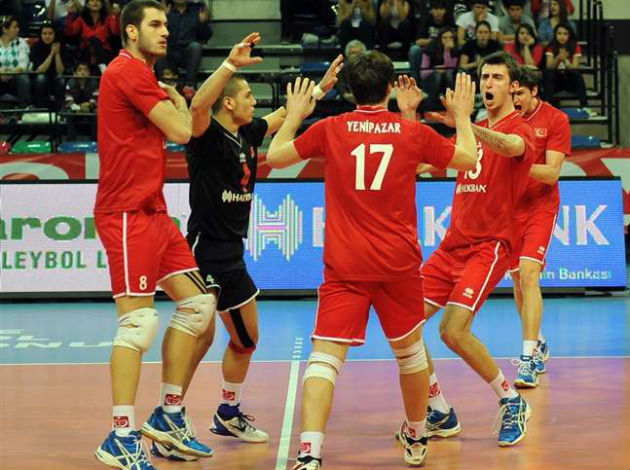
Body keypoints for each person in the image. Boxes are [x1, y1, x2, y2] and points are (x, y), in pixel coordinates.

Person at [266, 51, 479, 469]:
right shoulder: (410, 132)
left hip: (345, 265)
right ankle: (416, 435)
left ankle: (309, 453)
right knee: (410, 354)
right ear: (389, 89)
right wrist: (463, 117)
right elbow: (468, 158)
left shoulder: (331, 128)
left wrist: (295, 114)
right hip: (398, 265)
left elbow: (275, 157)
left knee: (325, 359)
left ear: (350, 91)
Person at [93, 2, 215, 469]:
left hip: (155, 212)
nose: (165, 32)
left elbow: (189, 128)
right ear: (131, 31)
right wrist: (181, 101)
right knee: (139, 324)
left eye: (166, 24)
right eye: (155, 24)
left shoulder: (143, 75)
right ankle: (120, 435)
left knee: (199, 306)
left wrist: (179, 101)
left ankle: (168, 416)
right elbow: (183, 131)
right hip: (126, 213)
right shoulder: (128, 71)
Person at [421, 51, 535, 446]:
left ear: (513, 87)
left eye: (497, 78)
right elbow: (419, 162)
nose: (488, 83)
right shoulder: (469, 133)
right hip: (451, 246)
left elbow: (510, 147)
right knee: (404, 326)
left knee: (452, 331)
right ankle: (438, 409)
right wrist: (407, 115)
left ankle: (512, 400)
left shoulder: (521, 129)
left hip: (489, 247)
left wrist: (466, 123)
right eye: (484, 77)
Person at [509, 65, 569, 387]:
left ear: (534, 91)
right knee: (518, 280)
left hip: (541, 207)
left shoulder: (556, 120)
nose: (515, 99)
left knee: (530, 274)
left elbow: (551, 173)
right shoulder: (504, 120)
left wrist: (516, 163)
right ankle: (540, 342)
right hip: (510, 209)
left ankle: (529, 358)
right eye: (512, 93)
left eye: (520, 93)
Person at [156, 0, 212, 91]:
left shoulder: (196, 10)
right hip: (170, 51)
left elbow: (206, 36)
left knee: (195, 47)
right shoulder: (167, 10)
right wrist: (162, 19)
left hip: (188, 53)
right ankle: (164, 87)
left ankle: (190, 86)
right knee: (159, 48)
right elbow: (158, 35)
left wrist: (203, 23)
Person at [64, 0, 121, 73]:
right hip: (86, 52)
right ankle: (102, 66)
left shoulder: (107, 18)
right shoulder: (82, 18)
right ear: (87, 4)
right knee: (93, 40)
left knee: (95, 41)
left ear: (102, 4)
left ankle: (102, 66)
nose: (95, 2)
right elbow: (70, 32)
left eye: (98, 0)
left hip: (104, 51)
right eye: (92, 0)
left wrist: (117, 16)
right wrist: (70, 15)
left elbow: (116, 32)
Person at [408, 0, 455, 83]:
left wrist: (434, 41)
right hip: (429, 49)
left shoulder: (449, 20)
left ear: (445, 11)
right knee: (414, 50)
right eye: (436, 9)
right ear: (431, 11)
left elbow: (453, 40)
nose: (438, 12)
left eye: (441, 9)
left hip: (445, 48)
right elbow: (418, 41)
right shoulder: (426, 19)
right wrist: (436, 41)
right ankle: (415, 81)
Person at [543, 22, 587, 109]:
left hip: (569, 80)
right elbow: (549, 66)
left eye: (565, 34)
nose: (562, 36)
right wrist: (558, 58)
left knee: (577, 75)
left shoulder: (575, 46)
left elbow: (575, 67)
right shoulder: (551, 46)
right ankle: (548, 105)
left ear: (569, 35)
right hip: (556, 81)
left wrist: (566, 63)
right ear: (555, 35)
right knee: (549, 74)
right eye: (559, 34)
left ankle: (584, 106)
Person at [420, 26, 458, 110]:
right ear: (439, 39)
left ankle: (452, 105)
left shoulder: (455, 50)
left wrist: (447, 50)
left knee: (448, 74)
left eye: (450, 38)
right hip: (429, 82)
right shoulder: (430, 49)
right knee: (438, 75)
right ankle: (429, 106)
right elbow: (423, 74)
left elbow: (451, 69)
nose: (448, 40)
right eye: (445, 37)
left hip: (447, 82)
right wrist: (435, 70)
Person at [30, 23, 66, 110]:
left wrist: (57, 54)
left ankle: (59, 110)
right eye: (44, 33)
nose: (47, 36)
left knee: (61, 79)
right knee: (41, 78)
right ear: (40, 35)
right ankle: (40, 108)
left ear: (55, 34)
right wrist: (52, 54)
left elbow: (60, 71)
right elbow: (40, 70)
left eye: (50, 33)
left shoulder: (61, 46)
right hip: (41, 77)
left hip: (55, 77)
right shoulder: (35, 47)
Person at [0, 15, 31, 108]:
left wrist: (10, 73)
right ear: (5, 29)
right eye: (15, 27)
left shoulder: (21, 42)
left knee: (23, 78)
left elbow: (23, 65)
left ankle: (23, 110)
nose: (18, 29)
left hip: (15, 80)